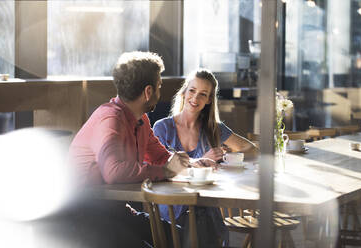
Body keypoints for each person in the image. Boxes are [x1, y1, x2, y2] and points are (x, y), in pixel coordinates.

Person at [68, 51, 191, 248]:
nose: (161, 92)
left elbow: (160, 156)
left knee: (183, 238)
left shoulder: (140, 119)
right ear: (148, 92)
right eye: (159, 86)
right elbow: (114, 172)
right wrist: (167, 171)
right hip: (85, 219)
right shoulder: (110, 119)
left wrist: (192, 165)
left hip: (113, 212)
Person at [153, 68, 258, 247]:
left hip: (205, 209)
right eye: (192, 91)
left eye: (203, 94)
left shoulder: (213, 128)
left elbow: (251, 149)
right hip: (171, 209)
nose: (195, 98)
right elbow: (162, 169)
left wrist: (226, 156)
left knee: (202, 219)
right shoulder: (162, 128)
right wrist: (203, 159)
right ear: (184, 92)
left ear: (209, 100)